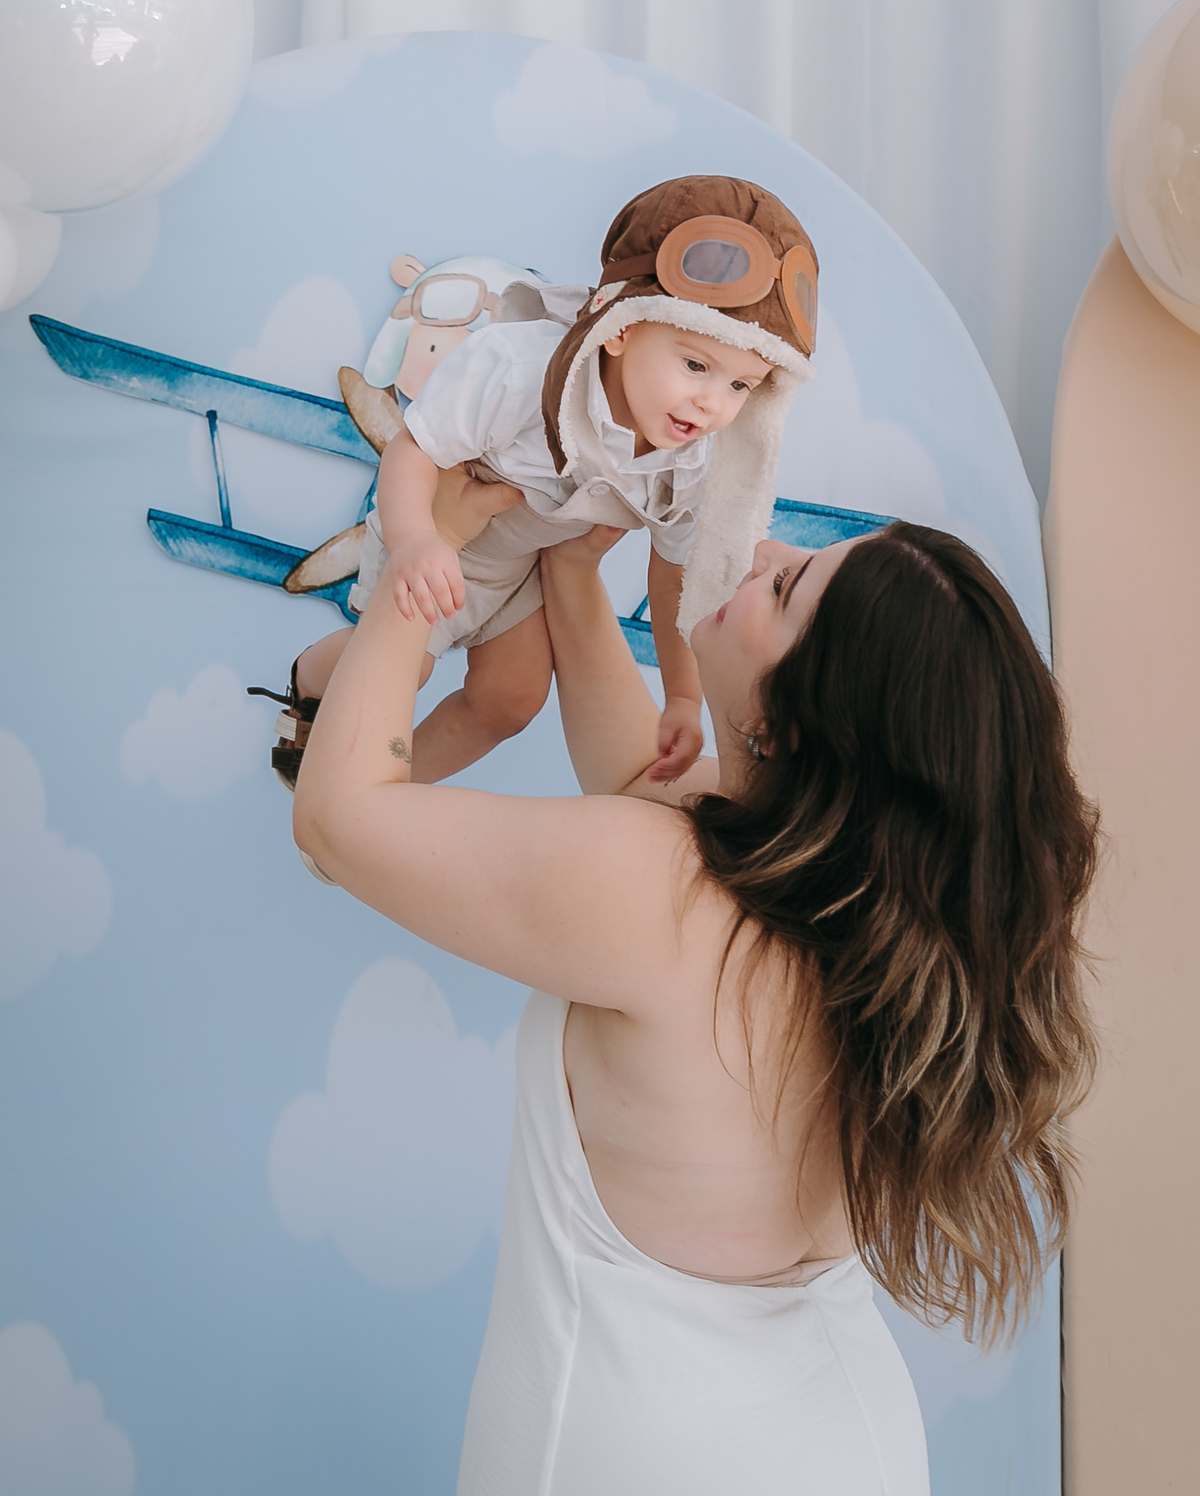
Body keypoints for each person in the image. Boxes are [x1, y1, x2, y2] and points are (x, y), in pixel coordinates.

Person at [292, 472, 1098, 1496]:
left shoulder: (658, 892)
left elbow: (337, 818)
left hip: (652, 1446)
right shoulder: (856, 901)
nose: (759, 555)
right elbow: (644, 783)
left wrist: (434, 541)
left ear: (791, 725)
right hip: (846, 1432)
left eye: (787, 589)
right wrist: (572, 569)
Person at [264, 175, 817, 787]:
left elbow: (672, 578)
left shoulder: (688, 462)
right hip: (434, 533)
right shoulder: (520, 368)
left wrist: (683, 696)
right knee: (405, 670)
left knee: (513, 700)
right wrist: (415, 539)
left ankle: (387, 796)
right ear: (621, 327)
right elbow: (413, 450)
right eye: (694, 365)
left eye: (740, 385)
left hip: (520, 567)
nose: (712, 403)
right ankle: (310, 680)